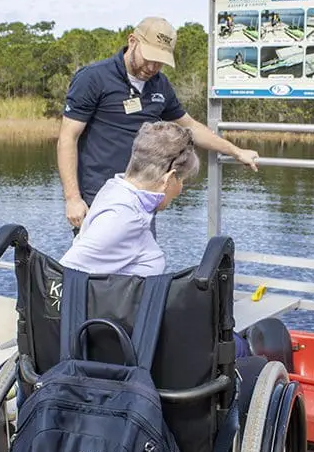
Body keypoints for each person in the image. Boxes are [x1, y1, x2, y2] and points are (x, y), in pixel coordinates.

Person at [59, 120, 252, 354]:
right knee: (242, 349)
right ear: (168, 178)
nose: (180, 189)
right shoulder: (123, 216)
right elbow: (64, 276)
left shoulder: (115, 190)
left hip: (129, 325)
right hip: (126, 340)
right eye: (181, 181)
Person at [57, 16, 260, 231]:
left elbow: (190, 126)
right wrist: (72, 198)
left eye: (160, 61)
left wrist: (236, 151)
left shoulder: (160, 85)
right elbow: (68, 138)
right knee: (99, 264)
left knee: (145, 262)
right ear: (132, 41)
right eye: (149, 57)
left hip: (144, 199)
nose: (153, 67)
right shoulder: (93, 78)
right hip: (99, 199)